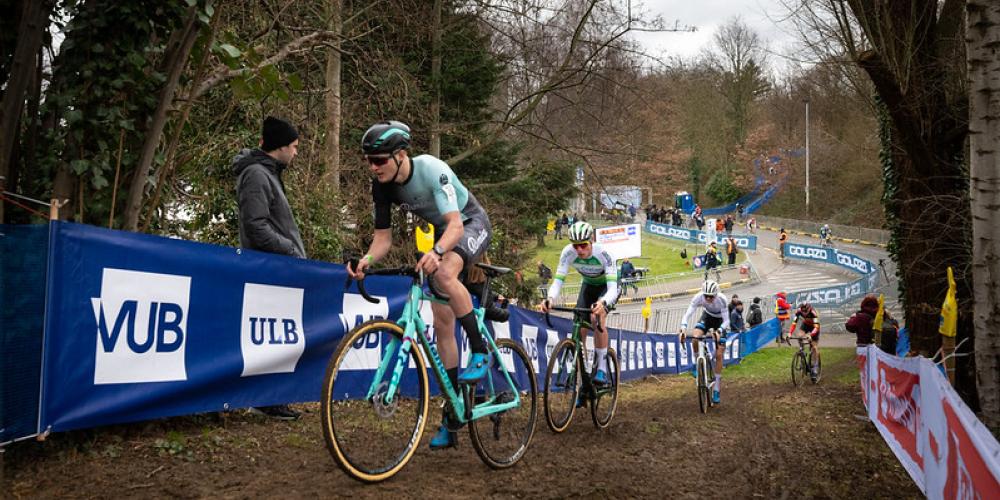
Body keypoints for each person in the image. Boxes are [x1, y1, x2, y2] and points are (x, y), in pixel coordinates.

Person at [348, 120, 493, 450]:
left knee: (442, 274)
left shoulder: (431, 170)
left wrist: (438, 251)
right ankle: (453, 414)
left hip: (471, 224)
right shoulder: (382, 186)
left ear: (400, 155)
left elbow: (455, 225)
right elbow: (382, 240)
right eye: (369, 160)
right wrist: (365, 261)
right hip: (447, 235)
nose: (374, 167)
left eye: (380, 160)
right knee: (442, 324)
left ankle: (481, 353)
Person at [234, 116, 305, 420]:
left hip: (277, 271)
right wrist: (289, 249)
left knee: (277, 339)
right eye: (294, 146)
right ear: (280, 147)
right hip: (268, 271)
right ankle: (265, 400)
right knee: (268, 340)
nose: (296, 152)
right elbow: (256, 226)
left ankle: (272, 398)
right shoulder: (256, 175)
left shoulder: (269, 173)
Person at [540, 221, 618, 389]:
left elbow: (612, 289)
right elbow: (558, 281)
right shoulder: (568, 253)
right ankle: (580, 370)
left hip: (607, 288)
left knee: (597, 317)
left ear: (591, 241)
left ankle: (602, 369)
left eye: (583, 245)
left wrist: (602, 302)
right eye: (576, 246)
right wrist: (550, 298)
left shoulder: (604, 254)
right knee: (579, 325)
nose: (580, 250)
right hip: (588, 285)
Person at [679, 280, 730, 404]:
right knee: (695, 338)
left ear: (716, 295)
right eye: (706, 296)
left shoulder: (722, 300)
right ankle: (698, 364)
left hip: (720, 322)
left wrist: (719, 331)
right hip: (707, 317)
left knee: (719, 354)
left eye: (711, 296)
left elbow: (727, 321)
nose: (708, 298)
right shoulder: (698, 297)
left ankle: (716, 388)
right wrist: (683, 328)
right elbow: (687, 314)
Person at [789, 302, 821, 380]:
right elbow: (794, 323)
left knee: (814, 347)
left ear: (809, 308)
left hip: (814, 327)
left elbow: (816, 327)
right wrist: (789, 333)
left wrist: (810, 335)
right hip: (806, 325)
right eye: (803, 312)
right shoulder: (798, 311)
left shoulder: (813, 313)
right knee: (799, 336)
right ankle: (802, 350)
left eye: (806, 312)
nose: (805, 314)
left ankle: (814, 368)